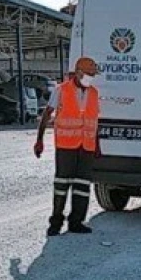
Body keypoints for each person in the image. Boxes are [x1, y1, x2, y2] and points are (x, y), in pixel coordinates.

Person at [34, 57, 101, 236]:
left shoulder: (94, 93)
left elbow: (94, 121)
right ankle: (55, 222)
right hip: (66, 146)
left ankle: (76, 222)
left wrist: (97, 146)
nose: (91, 78)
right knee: (61, 185)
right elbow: (47, 114)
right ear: (79, 73)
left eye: (93, 75)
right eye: (89, 74)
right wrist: (39, 140)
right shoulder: (62, 90)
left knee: (82, 186)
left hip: (86, 147)